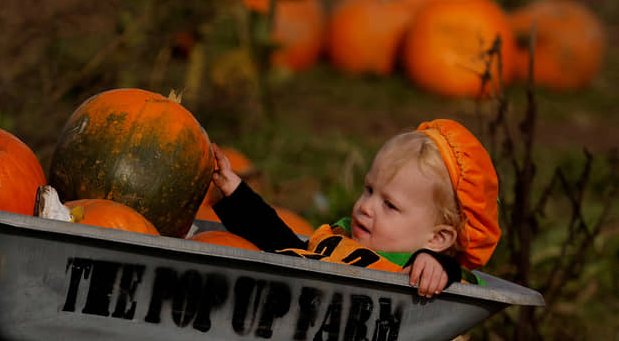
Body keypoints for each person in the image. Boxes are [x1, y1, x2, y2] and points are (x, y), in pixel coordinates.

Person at [210, 118, 500, 297]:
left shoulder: (416, 270)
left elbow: (463, 284)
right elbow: (281, 245)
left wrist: (440, 267)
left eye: (389, 205)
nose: (366, 207)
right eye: (369, 190)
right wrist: (235, 192)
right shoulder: (340, 242)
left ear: (437, 238)